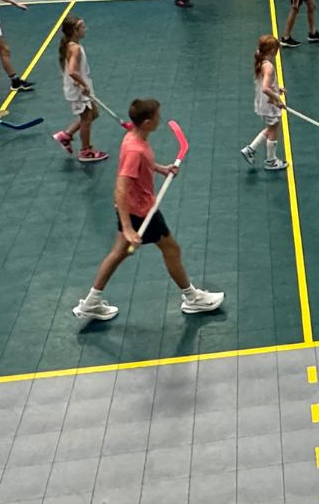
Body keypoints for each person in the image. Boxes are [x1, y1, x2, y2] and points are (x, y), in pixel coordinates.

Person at [72, 98, 224, 322]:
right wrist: (128, 227)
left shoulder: (135, 137)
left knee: (118, 253)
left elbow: (142, 164)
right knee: (171, 249)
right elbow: (121, 188)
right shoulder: (135, 149)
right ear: (146, 122)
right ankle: (192, 298)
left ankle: (91, 303)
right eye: (156, 118)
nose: (159, 121)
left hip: (136, 208)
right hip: (140, 212)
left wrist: (161, 169)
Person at [52, 16, 107, 163]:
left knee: (93, 113)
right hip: (78, 89)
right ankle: (86, 151)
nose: (85, 29)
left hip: (80, 86)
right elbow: (72, 71)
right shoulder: (75, 48)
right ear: (75, 31)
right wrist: (83, 85)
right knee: (86, 118)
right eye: (82, 27)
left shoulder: (72, 46)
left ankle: (66, 135)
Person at [240, 35, 287, 171]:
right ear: (272, 50)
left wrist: (277, 88)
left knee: (271, 128)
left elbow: (267, 84)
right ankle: (271, 161)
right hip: (268, 103)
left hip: (262, 102)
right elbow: (266, 88)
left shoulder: (259, 58)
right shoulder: (269, 67)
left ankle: (250, 149)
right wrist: (277, 99)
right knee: (274, 129)